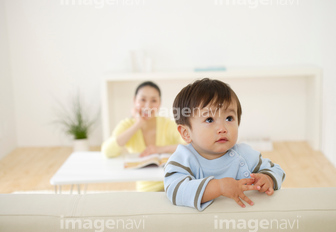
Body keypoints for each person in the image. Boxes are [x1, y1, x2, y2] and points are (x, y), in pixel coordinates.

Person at [164, 78, 285, 211]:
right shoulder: (183, 159)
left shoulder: (244, 154)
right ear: (186, 132)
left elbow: (277, 170)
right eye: (209, 119)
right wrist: (219, 187)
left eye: (229, 118)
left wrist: (267, 178)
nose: (222, 128)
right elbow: (175, 191)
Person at [102, 81, 184, 192]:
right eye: (143, 100)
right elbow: (108, 151)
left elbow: (191, 145)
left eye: (153, 101)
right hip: (147, 189)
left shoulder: (167, 124)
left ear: (160, 103)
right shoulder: (127, 125)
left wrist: (159, 149)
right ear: (134, 100)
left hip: (173, 184)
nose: (148, 106)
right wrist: (138, 124)